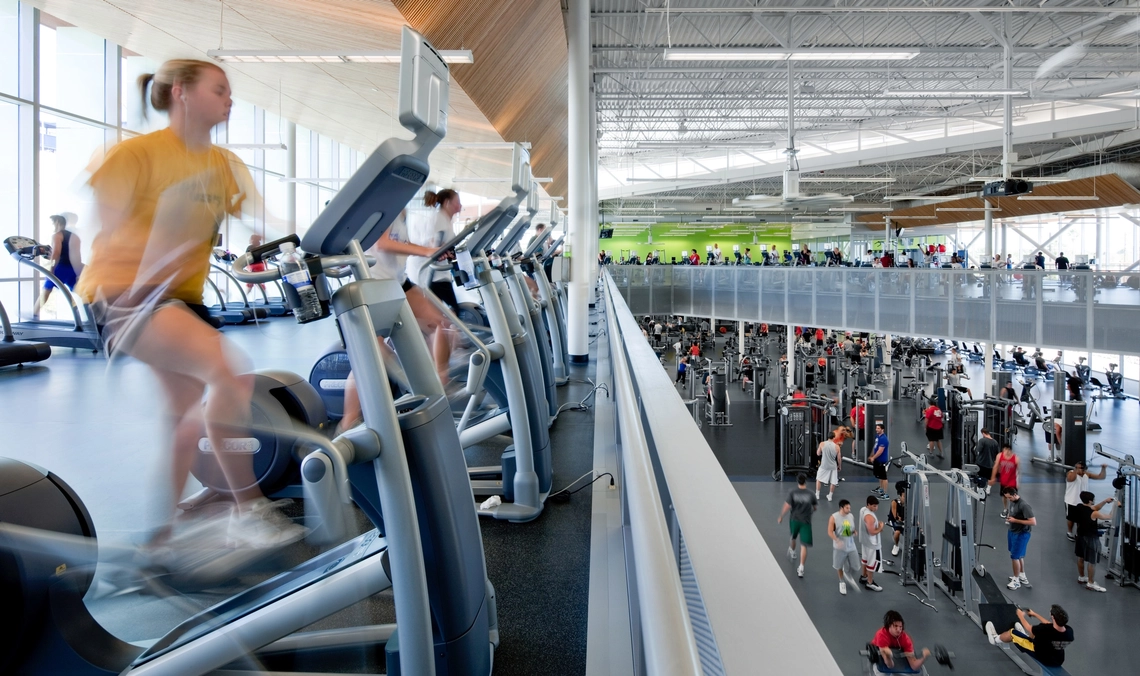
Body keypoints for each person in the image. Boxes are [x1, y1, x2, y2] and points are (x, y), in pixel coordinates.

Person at [75, 59, 302, 548]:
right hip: (126, 295)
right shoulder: (135, 154)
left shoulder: (224, 165)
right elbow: (107, 223)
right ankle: (248, 508)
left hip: (181, 299)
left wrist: (295, 251)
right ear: (181, 92)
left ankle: (164, 531)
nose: (230, 99)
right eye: (219, 90)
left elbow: (264, 224)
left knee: (185, 413)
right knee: (231, 374)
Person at [408, 188, 462, 312]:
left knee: (441, 314)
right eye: (457, 201)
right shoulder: (439, 219)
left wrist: (448, 253)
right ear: (447, 203)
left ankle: (441, 329)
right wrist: (441, 252)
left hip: (438, 275)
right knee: (452, 312)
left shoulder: (445, 220)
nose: (460, 205)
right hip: (433, 276)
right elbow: (433, 245)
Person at [986, 605, 1073, 669]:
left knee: (1012, 632)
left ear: (1053, 617)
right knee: (1038, 635)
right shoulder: (1068, 631)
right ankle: (1024, 637)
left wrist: (1020, 615)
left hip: (1042, 656)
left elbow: (1029, 628)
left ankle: (995, 639)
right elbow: (1048, 624)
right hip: (1057, 660)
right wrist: (1034, 614)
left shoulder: (1045, 630)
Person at [32, 213, 84, 319]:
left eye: (52, 223)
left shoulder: (57, 235)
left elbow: (56, 253)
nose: (52, 226)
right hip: (73, 268)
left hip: (61, 267)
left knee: (46, 290)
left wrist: (51, 268)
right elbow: (75, 254)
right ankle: (96, 314)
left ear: (57, 223)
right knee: (82, 292)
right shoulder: (74, 236)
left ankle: (34, 315)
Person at [1072, 490, 1118, 592]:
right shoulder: (1095, 513)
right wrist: (1116, 505)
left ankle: (1081, 577)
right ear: (1090, 501)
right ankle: (1091, 583)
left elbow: (1094, 507)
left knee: (1081, 558)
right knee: (1092, 562)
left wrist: (1105, 501)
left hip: (1080, 536)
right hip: (1091, 538)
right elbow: (1110, 516)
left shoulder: (1079, 507)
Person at [777, 473, 818, 578]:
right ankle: (801, 567)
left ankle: (793, 551)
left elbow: (787, 505)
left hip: (794, 520)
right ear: (806, 481)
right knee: (804, 545)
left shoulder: (792, 492)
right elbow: (815, 507)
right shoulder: (811, 494)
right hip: (806, 522)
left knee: (793, 537)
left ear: (797, 481)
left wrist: (781, 516)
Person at [1065, 461, 1108, 541]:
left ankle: (1078, 533)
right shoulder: (1071, 473)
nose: (1081, 471)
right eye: (1079, 468)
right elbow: (1071, 479)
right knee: (1071, 518)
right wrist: (1076, 470)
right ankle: (1069, 532)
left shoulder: (1086, 474)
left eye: (1082, 469)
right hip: (1072, 501)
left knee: (1081, 519)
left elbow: (1101, 477)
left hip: (1083, 502)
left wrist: (1103, 468)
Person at [1003, 485, 1036, 590]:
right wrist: (1009, 518)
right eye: (1007, 497)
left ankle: (1016, 581)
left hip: (1021, 533)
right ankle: (1022, 575)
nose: (1008, 499)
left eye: (1009, 497)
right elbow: (1012, 513)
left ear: (1015, 494)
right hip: (1012, 531)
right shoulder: (1013, 502)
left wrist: (1015, 521)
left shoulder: (1024, 505)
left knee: (1015, 557)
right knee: (1019, 555)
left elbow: (1033, 522)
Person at [829, 499, 862, 595]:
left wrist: (854, 531)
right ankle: (841, 582)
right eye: (847, 508)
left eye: (850, 507)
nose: (849, 510)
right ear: (841, 508)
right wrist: (837, 540)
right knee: (838, 566)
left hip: (851, 545)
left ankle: (847, 573)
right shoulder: (834, 518)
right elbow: (830, 532)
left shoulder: (851, 516)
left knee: (856, 566)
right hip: (839, 548)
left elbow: (848, 529)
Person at [859, 495, 885, 592]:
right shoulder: (869, 517)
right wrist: (880, 527)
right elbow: (872, 532)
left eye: (876, 506)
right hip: (872, 543)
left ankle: (864, 576)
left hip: (865, 541)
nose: (876, 508)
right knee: (872, 563)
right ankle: (870, 583)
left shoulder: (862, 510)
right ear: (868, 505)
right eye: (873, 506)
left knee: (865, 559)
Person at [815, 426, 847, 502]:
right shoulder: (837, 447)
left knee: (818, 479)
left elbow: (818, 453)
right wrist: (839, 466)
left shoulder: (822, 444)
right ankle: (830, 496)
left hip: (824, 465)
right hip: (833, 466)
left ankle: (817, 494)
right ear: (834, 437)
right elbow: (839, 458)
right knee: (833, 481)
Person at [991, 444, 1020, 518]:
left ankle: (1012, 512)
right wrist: (993, 478)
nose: (1005, 452)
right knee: (1004, 496)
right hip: (1004, 481)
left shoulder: (1016, 458)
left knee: (1012, 497)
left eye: (1006, 450)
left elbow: (1018, 471)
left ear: (1009, 450)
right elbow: (996, 466)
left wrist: (1018, 481)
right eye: (1004, 450)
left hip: (1012, 481)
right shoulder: (1000, 456)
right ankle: (1005, 509)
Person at [975, 428, 999, 495]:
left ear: (983, 433)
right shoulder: (995, 442)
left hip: (981, 462)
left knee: (980, 476)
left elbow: (978, 450)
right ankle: (988, 490)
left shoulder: (982, 440)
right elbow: (997, 454)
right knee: (989, 478)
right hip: (990, 464)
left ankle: (980, 489)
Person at [869, 422, 890, 499]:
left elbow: (880, 451)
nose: (876, 429)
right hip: (877, 460)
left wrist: (873, 457)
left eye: (878, 428)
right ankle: (881, 489)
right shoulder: (878, 436)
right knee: (880, 476)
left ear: (882, 429)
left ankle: (885, 494)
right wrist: (871, 455)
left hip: (882, 460)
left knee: (884, 477)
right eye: (876, 428)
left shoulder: (884, 439)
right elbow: (875, 447)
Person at [889, 481, 907, 557]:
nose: (905, 498)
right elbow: (895, 516)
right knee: (897, 533)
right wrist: (900, 520)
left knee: (917, 530)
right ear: (900, 496)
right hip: (895, 521)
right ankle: (896, 546)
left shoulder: (909, 503)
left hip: (904, 521)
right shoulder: (894, 502)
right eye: (904, 496)